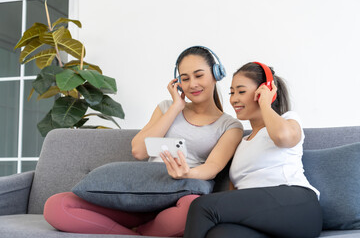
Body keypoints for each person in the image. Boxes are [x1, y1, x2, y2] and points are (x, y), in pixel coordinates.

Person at [43, 46, 243, 237]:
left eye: (199, 75)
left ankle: (140, 230)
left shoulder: (230, 126)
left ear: (216, 74)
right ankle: (139, 233)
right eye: (185, 78)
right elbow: (139, 150)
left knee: (193, 209)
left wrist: (188, 173)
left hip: (178, 202)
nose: (192, 84)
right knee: (56, 206)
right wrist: (176, 108)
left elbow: (213, 167)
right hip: (140, 196)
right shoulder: (167, 107)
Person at [183, 62, 323, 238]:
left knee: (201, 206)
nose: (234, 99)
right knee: (219, 234)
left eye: (241, 92)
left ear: (265, 91)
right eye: (232, 92)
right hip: (265, 220)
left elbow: (283, 137)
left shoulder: (288, 120)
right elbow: (234, 196)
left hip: (298, 206)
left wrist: (265, 103)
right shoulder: (241, 143)